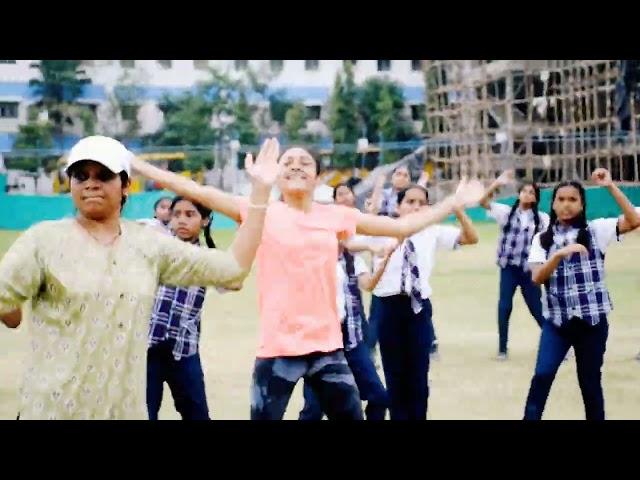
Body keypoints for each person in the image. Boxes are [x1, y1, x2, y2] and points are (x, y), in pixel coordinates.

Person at [131, 147, 485, 420]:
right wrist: (135, 164)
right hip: (277, 350)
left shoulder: (336, 216)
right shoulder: (259, 210)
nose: (296, 165)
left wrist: (453, 202)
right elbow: (194, 189)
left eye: (305, 162)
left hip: (327, 348)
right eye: (288, 161)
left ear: (317, 178)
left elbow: (402, 227)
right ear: (278, 175)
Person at [0, 135, 279, 420]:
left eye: (104, 175)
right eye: (80, 175)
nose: (91, 183)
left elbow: (232, 270)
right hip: (50, 410)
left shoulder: (148, 245)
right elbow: (4, 298)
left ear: (125, 186)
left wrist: (260, 194)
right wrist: (12, 309)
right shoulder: (43, 240)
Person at [523, 168, 640, 420]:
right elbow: (536, 277)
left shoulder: (597, 230)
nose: (566, 205)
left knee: (589, 384)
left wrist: (610, 186)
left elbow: (633, 220)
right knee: (542, 376)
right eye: (561, 199)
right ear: (552, 204)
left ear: (582, 204)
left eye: (572, 199)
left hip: (593, 323)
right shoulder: (542, 240)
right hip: (558, 324)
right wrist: (557, 255)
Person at [367, 184, 479, 420]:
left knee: (418, 378)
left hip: (418, 309)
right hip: (388, 308)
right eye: (410, 202)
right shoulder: (382, 228)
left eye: (422, 202)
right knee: (394, 377)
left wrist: (457, 210)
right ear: (398, 206)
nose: (417, 207)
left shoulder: (433, 230)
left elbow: (471, 237)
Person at [298, 182, 395, 421]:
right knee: (313, 410)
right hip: (320, 349)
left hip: (352, 343)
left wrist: (382, 264)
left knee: (379, 397)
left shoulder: (352, 260)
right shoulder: (309, 261)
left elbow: (368, 285)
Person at [146, 196, 217, 420]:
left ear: (205, 220)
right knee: (143, 412)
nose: (182, 221)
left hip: (184, 350)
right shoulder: (157, 249)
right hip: (146, 348)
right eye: (176, 215)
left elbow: (234, 281)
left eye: (190, 214)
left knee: (197, 414)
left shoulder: (208, 260)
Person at [479, 170, 550, 360]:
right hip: (509, 267)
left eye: (531, 192)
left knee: (537, 308)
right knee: (504, 306)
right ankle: (502, 349)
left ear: (536, 198)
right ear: (518, 194)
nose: (527, 195)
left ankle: (558, 344)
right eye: (524, 191)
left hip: (529, 270)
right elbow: (482, 202)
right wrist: (497, 183)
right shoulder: (506, 213)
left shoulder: (541, 219)